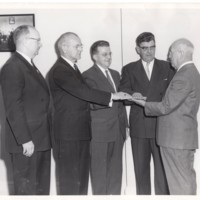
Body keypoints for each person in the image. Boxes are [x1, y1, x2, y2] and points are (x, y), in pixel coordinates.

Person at [47, 32, 130, 195]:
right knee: (73, 183)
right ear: (64, 48)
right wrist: (113, 96)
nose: (80, 49)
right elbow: (83, 92)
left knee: (81, 183)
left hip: (80, 133)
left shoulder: (72, 68)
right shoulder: (60, 70)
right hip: (71, 135)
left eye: (81, 46)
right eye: (77, 46)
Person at [132, 38, 200, 195]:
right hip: (181, 140)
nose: (169, 57)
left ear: (180, 52)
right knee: (185, 180)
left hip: (175, 141)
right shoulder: (193, 73)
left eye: (171, 52)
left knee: (179, 185)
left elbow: (165, 107)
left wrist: (142, 102)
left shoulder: (183, 76)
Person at [119, 32, 175, 195]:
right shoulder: (129, 69)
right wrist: (132, 96)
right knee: (141, 172)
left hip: (161, 126)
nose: (149, 51)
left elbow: (172, 97)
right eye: (144, 48)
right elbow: (123, 94)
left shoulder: (167, 67)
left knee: (162, 174)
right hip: (139, 128)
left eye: (152, 47)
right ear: (137, 49)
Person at [0, 25, 52, 195]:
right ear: (24, 42)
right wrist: (25, 139)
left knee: (40, 190)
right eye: (37, 40)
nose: (40, 44)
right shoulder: (12, 67)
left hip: (40, 140)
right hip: (27, 143)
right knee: (27, 193)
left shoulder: (29, 65)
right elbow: (13, 106)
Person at [82, 40, 128, 195]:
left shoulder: (115, 74)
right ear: (94, 57)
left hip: (118, 132)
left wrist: (125, 126)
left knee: (116, 174)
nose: (108, 57)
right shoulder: (87, 76)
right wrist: (112, 97)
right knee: (100, 175)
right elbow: (92, 102)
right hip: (99, 134)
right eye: (104, 54)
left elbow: (120, 103)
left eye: (110, 53)